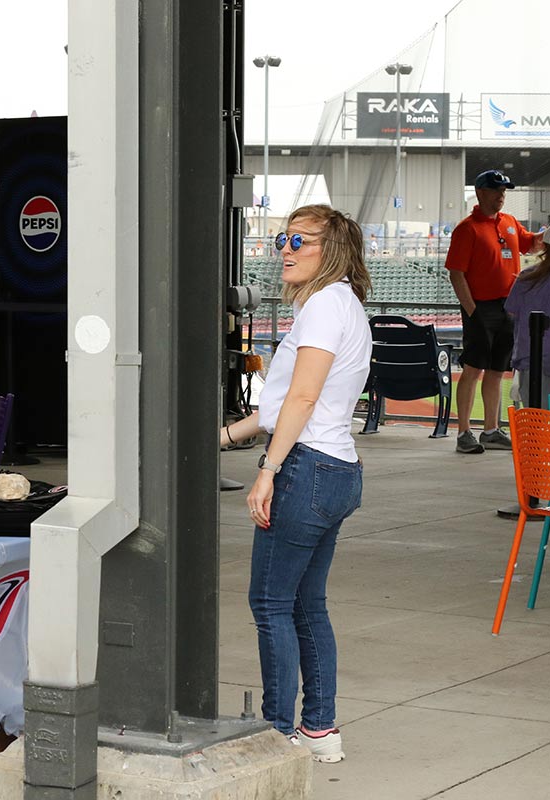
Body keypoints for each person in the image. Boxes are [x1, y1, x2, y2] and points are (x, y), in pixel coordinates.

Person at [220, 204, 372, 763]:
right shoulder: (340, 305)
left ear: (329, 252)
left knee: (270, 601)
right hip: (333, 469)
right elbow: (277, 409)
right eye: (283, 238)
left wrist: (267, 470)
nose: (286, 248)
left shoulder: (325, 308)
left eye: (300, 241)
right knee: (307, 603)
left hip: (307, 468)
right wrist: (218, 437)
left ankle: (276, 732)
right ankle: (319, 730)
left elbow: (302, 401)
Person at [444, 169, 539, 454]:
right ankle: (463, 433)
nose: (501, 196)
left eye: (504, 191)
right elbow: (456, 274)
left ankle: (490, 430)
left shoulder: (509, 222)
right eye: (497, 190)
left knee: (498, 371)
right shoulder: (467, 228)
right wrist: (472, 311)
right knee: (473, 369)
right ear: (481, 192)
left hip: (508, 307)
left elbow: (530, 242)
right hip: (480, 308)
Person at [504, 222, 550, 407]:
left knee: (535, 421)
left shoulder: (526, 276)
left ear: (543, 246)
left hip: (529, 358)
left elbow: (511, 311)